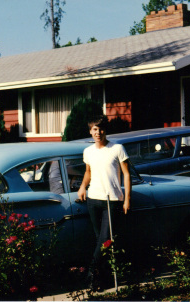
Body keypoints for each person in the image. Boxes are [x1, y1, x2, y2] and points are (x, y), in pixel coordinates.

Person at [77, 115, 131, 290]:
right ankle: (104, 279)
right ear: (90, 131)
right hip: (94, 199)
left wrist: (127, 199)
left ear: (105, 130)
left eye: (100, 129)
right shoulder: (88, 151)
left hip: (112, 200)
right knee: (101, 242)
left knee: (104, 240)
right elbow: (88, 172)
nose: (98, 133)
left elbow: (127, 174)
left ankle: (90, 275)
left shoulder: (117, 148)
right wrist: (83, 187)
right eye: (94, 129)